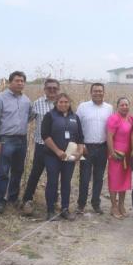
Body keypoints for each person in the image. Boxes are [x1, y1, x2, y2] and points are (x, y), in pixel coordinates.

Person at [0, 71, 32, 214]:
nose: (20, 83)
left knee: (18, 171)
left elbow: (29, 117)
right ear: (10, 82)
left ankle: (13, 198)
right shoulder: (0, 99)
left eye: (22, 81)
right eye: (17, 81)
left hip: (21, 139)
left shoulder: (26, 100)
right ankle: (0, 201)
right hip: (6, 139)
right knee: (3, 171)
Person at [41, 93, 84, 221]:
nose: (64, 104)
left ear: (69, 103)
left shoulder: (75, 117)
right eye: (61, 102)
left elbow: (80, 137)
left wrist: (80, 151)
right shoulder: (50, 116)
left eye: (66, 102)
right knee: (52, 182)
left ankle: (65, 209)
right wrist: (57, 151)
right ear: (56, 103)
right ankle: (50, 210)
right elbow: (45, 135)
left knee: (66, 182)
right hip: (52, 156)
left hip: (69, 155)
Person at [21, 78, 59, 216]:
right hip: (41, 145)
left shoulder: (62, 103)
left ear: (58, 90)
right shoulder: (37, 103)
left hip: (57, 147)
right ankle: (27, 199)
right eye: (49, 88)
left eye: (55, 88)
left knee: (54, 175)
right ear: (45, 89)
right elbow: (27, 119)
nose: (52, 90)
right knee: (35, 173)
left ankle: (54, 201)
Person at [76, 83, 114, 215]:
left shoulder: (109, 108)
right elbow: (77, 127)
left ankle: (96, 203)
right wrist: (81, 145)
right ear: (90, 92)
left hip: (102, 147)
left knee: (99, 177)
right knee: (85, 178)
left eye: (100, 91)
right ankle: (81, 204)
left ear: (104, 92)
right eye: (95, 91)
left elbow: (111, 128)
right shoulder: (82, 107)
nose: (98, 93)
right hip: (86, 147)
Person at [106, 97, 133, 219]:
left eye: (126, 105)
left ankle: (122, 205)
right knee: (114, 180)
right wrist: (112, 153)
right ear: (117, 106)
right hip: (116, 154)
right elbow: (109, 136)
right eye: (122, 105)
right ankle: (114, 206)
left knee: (124, 180)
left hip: (127, 156)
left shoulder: (130, 118)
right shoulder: (113, 119)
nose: (124, 107)